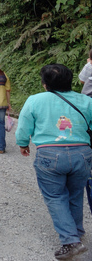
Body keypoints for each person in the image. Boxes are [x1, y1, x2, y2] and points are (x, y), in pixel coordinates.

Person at [15, 64, 92, 260]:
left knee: (55, 196)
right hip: (82, 153)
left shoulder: (35, 100)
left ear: (45, 84)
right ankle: (76, 231)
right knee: (75, 194)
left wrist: (23, 144)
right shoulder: (86, 101)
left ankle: (70, 240)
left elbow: (24, 127)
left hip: (49, 154)